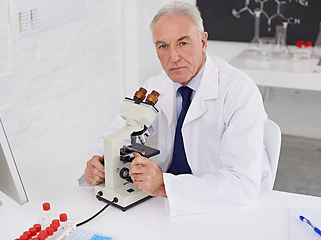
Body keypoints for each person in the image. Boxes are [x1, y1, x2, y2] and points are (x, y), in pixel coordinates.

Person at [80, 1, 272, 216]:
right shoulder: (156, 86)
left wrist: (164, 185)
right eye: (163, 46)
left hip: (226, 206)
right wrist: (98, 162)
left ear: (203, 41)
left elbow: (242, 185)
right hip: (167, 202)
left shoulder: (239, 90)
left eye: (182, 43)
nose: (173, 57)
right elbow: (116, 133)